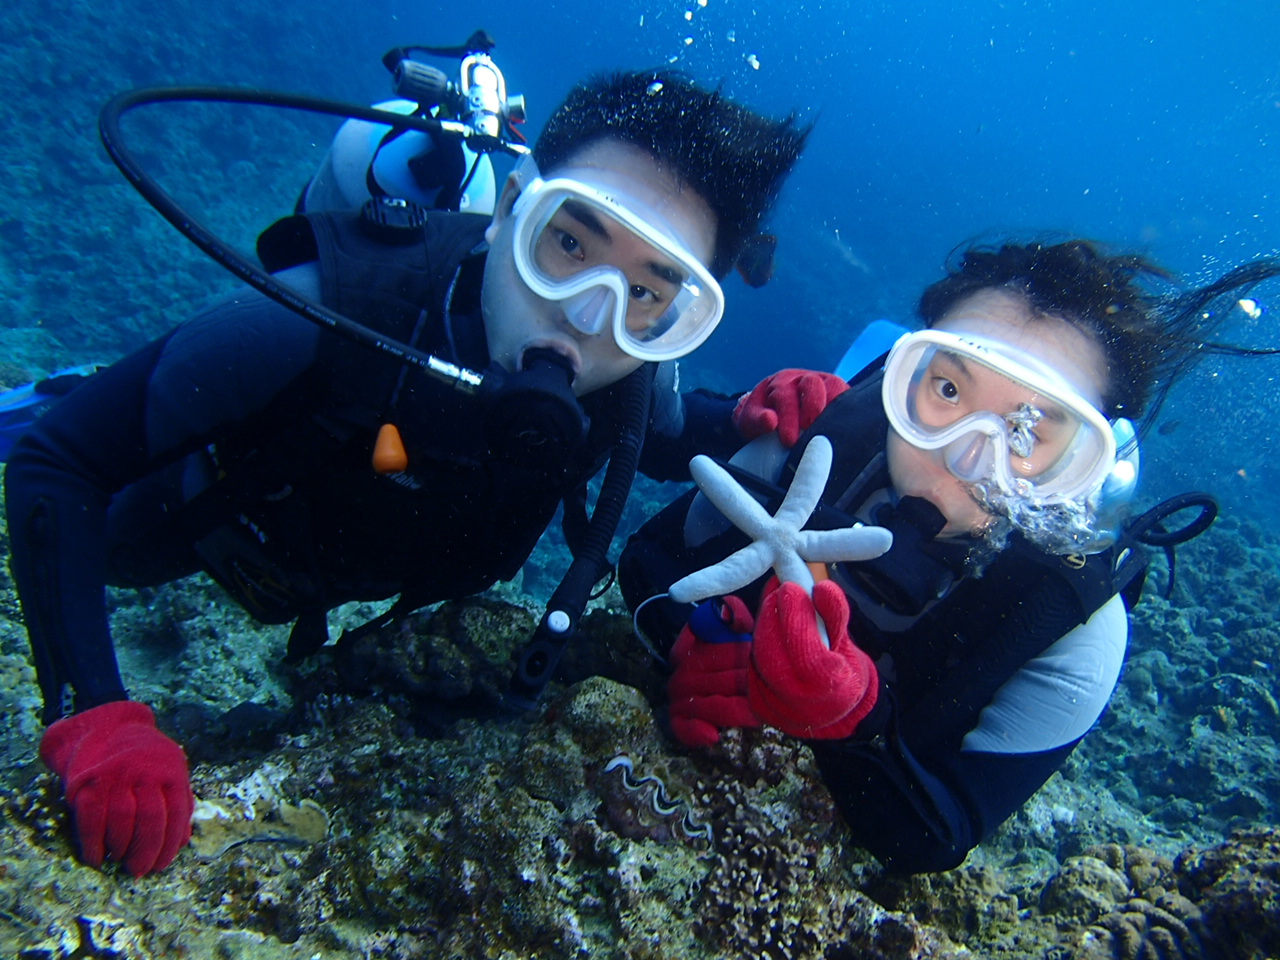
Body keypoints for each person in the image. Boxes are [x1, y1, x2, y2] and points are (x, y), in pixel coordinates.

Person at [5, 70, 808, 877]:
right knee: (118, 551)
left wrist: (767, 416)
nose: (586, 315)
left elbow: (680, 443)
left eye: (645, 291)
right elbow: (62, 461)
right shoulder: (324, 310)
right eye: (568, 243)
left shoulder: (634, 383)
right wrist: (95, 712)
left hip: (336, 586)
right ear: (507, 213)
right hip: (207, 526)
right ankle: (70, 387)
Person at [619, 238, 1280, 874]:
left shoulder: (1075, 626)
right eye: (948, 392)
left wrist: (855, 723)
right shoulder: (826, 440)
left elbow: (940, 837)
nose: (962, 458)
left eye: (1028, 430)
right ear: (905, 375)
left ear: (1085, 463)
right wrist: (693, 637)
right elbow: (649, 560)